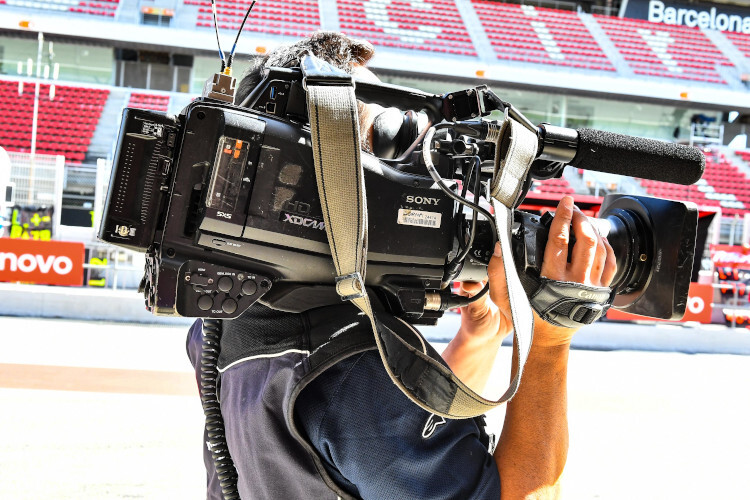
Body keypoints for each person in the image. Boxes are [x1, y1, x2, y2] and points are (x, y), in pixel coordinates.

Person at [186, 32, 616, 500]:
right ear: (316, 168)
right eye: (389, 142)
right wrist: (550, 339)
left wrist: (481, 337)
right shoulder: (346, 369)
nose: (415, 170)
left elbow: (401, 441)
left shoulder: (240, 309)